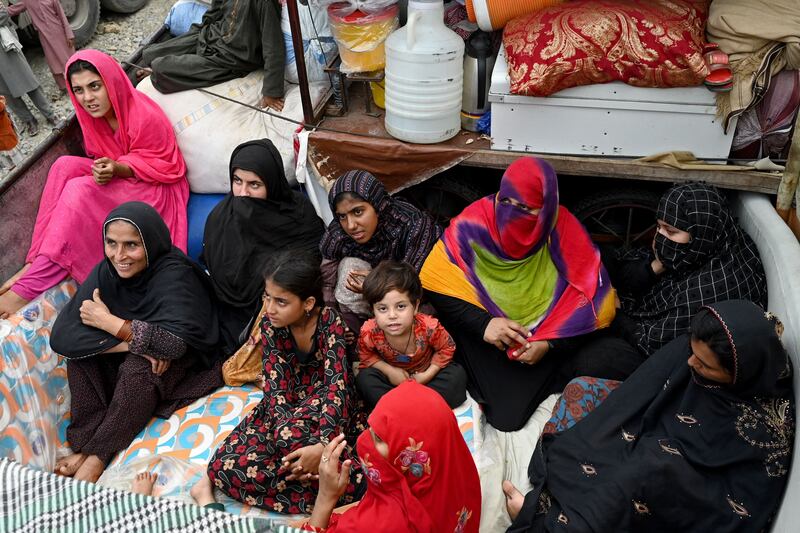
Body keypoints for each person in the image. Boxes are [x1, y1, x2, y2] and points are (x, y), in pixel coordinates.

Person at [504, 300, 795, 533]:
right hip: (657, 437)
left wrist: (660, 458)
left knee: (647, 470)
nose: (691, 363)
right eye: (691, 351)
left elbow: (739, 500)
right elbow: (641, 394)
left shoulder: (763, 427)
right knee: (583, 408)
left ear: (739, 375)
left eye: (705, 365)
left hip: (688, 486)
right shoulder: (694, 352)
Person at [420, 157, 620, 432]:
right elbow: (434, 280)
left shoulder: (561, 230)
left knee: (610, 356)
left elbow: (597, 300)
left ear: (546, 210)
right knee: (506, 418)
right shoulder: (474, 225)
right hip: (488, 334)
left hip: (545, 336)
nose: (511, 214)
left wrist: (549, 345)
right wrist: (485, 324)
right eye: (505, 202)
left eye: (525, 208)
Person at [0, 50, 189, 319]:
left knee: (79, 190)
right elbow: (102, 157)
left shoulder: (144, 115)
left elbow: (168, 168)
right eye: (78, 90)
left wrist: (117, 168)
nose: (87, 98)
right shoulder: (93, 117)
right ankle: (36, 259)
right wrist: (108, 168)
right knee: (63, 166)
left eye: (94, 86)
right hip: (123, 174)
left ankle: (29, 285)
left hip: (156, 190)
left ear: (111, 82)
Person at [49, 202, 224, 483]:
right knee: (80, 356)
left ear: (151, 243)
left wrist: (112, 324)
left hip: (183, 362)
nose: (120, 255)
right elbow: (62, 336)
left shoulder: (176, 276)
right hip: (134, 350)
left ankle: (95, 456)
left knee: (140, 368)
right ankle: (85, 442)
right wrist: (131, 341)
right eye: (112, 243)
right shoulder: (106, 272)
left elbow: (175, 346)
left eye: (131, 245)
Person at [206, 250, 365, 514]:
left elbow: (337, 385)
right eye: (267, 297)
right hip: (284, 410)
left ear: (307, 303)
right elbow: (276, 388)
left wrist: (323, 446)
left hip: (329, 408)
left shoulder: (328, 322)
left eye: (281, 301)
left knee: (352, 473)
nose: (269, 309)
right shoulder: (271, 326)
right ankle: (317, 481)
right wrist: (286, 436)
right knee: (222, 467)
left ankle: (318, 474)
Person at [607, 182, 766, 356]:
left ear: (700, 231)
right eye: (659, 227)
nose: (660, 237)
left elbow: (652, 343)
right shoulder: (713, 243)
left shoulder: (706, 291)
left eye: (670, 231)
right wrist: (658, 265)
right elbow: (628, 274)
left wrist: (617, 314)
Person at [299, 381, 482, 532]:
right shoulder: (461, 475)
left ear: (410, 460)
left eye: (379, 438)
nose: (365, 440)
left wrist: (325, 497)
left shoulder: (378, 525)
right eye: (371, 425)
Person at [201, 138, 324, 356]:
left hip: (282, 313)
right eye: (237, 181)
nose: (243, 193)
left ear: (272, 183)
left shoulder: (298, 215)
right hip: (229, 317)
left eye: (254, 184)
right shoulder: (221, 218)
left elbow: (305, 273)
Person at [320, 170, 441, 333]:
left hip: (412, 299)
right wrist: (330, 315)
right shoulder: (338, 233)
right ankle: (357, 331)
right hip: (371, 304)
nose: (351, 225)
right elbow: (327, 281)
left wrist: (374, 284)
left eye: (358, 212)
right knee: (350, 267)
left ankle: (388, 337)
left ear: (377, 206)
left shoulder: (413, 226)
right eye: (342, 216)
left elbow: (415, 283)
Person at [356, 260, 467, 409]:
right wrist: (389, 371)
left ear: (415, 306)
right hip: (394, 382)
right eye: (382, 309)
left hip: (426, 378)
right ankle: (410, 407)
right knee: (365, 379)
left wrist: (426, 375)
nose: (392, 315)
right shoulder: (369, 331)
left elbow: (447, 348)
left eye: (400, 307)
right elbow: (366, 356)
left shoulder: (429, 327)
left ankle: (406, 408)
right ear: (373, 310)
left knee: (456, 375)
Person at [137, 0, 285, 111]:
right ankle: (156, 65)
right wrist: (192, 38)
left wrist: (271, 92)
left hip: (232, 58)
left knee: (160, 67)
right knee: (150, 53)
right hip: (211, 35)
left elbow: (274, 47)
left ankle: (157, 70)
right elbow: (212, 14)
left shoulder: (266, 3)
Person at [0, 5, 58, 136]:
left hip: (7, 50)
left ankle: (50, 114)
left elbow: (3, 14)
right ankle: (29, 120)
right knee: (7, 94)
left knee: (29, 83)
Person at [6, 0, 75, 90]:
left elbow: (62, 15)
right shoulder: (28, 2)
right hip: (45, 37)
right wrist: (2, 10)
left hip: (59, 32)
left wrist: (69, 34)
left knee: (69, 57)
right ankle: (63, 87)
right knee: (53, 61)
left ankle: (77, 80)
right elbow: (12, 10)